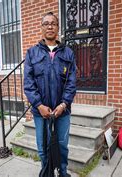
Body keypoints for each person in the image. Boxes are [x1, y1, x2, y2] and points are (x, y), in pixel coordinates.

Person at [24, 12, 77, 177]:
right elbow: (28, 83)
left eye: (53, 23)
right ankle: (47, 173)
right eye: (46, 23)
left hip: (63, 112)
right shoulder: (32, 53)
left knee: (62, 145)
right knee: (43, 147)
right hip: (41, 113)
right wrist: (39, 106)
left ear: (57, 28)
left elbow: (71, 83)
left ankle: (62, 172)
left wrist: (63, 105)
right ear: (41, 28)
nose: (49, 26)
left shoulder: (68, 53)